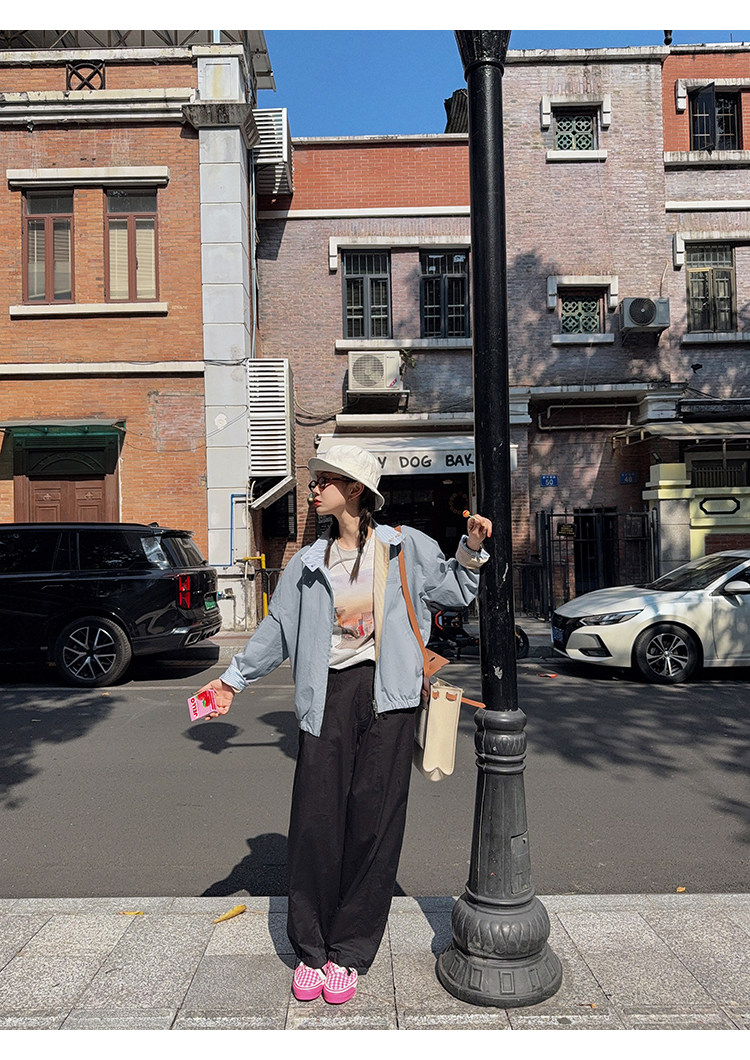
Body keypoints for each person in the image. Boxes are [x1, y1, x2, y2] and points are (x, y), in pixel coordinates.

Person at [193, 444, 491, 1006]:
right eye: (314, 482)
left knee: (374, 825)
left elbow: (453, 590)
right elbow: (277, 630)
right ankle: (310, 948)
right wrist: (232, 681)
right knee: (315, 821)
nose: (312, 489)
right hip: (325, 696)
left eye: (323, 480)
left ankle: (350, 951)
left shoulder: (404, 546)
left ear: (355, 489)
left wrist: (471, 548)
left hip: (389, 697)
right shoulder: (307, 563)